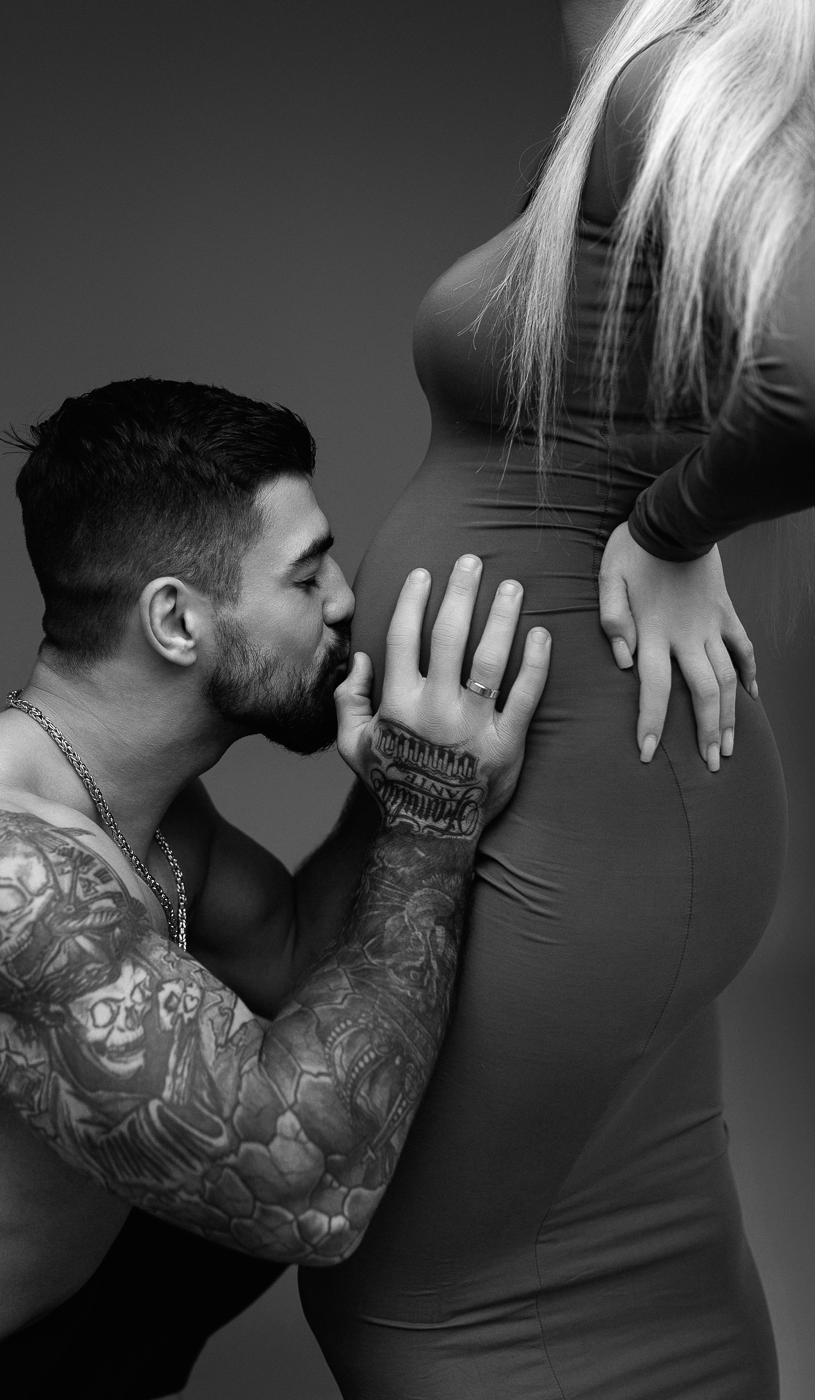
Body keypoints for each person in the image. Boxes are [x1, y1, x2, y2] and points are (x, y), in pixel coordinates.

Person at [298, 0, 815, 1395]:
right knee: (620, 1242)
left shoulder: (678, 79)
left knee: (416, 1292)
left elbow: (803, 376)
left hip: (596, 798)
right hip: (587, 790)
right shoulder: (670, 91)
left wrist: (671, 528)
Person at [0, 378, 552, 1398]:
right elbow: (311, 1191)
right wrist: (429, 817)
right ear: (175, 620)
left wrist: (413, 774)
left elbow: (297, 957)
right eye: (306, 575)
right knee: (300, 1136)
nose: (343, 600)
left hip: (79, 1307)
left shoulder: (145, 807)